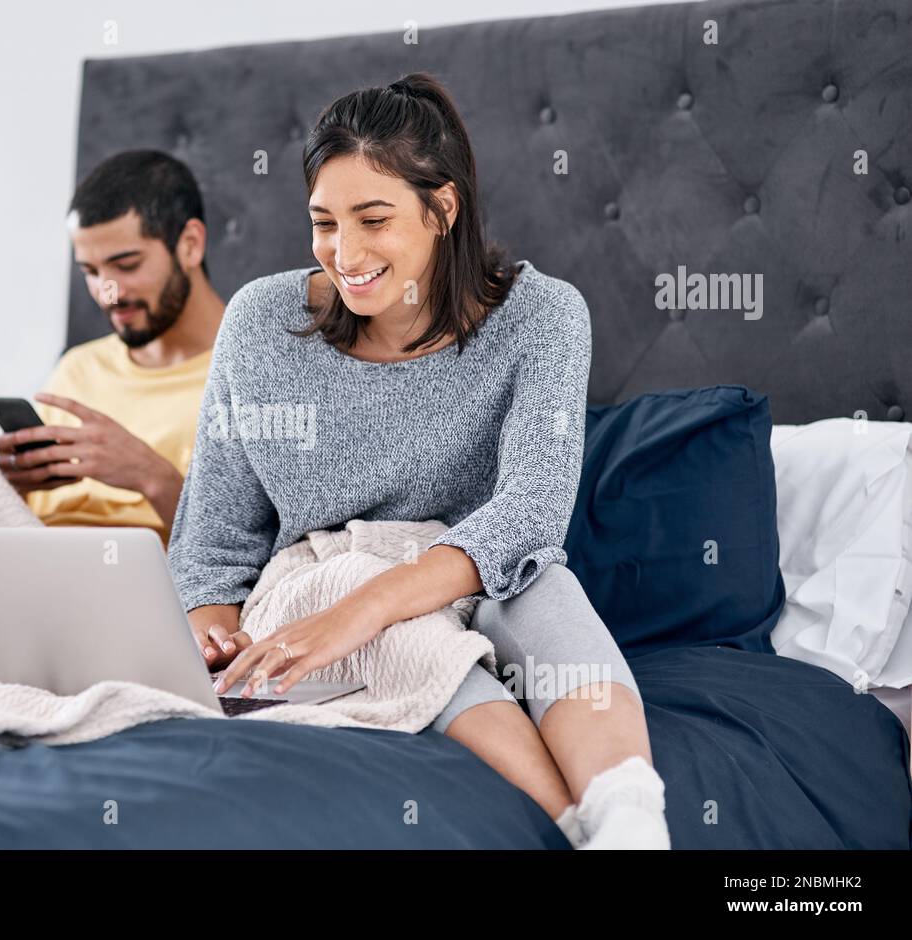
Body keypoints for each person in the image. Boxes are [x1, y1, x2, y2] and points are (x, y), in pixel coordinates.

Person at [166, 73, 670, 849]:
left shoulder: (544, 317)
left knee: (544, 587)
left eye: (374, 219)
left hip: (472, 577)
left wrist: (360, 614)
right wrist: (212, 637)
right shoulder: (259, 323)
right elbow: (212, 544)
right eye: (324, 222)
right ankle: (574, 827)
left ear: (442, 208)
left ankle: (633, 819)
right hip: (321, 580)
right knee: (377, 603)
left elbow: (530, 512)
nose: (345, 253)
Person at [0, 150, 226, 547]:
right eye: (91, 271)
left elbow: (254, 552)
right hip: (32, 569)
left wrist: (150, 476)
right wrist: (10, 483)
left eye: (127, 265)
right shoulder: (78, 368)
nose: (107, 294)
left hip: (146, 584)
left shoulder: (251, 370)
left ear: (189, 245)